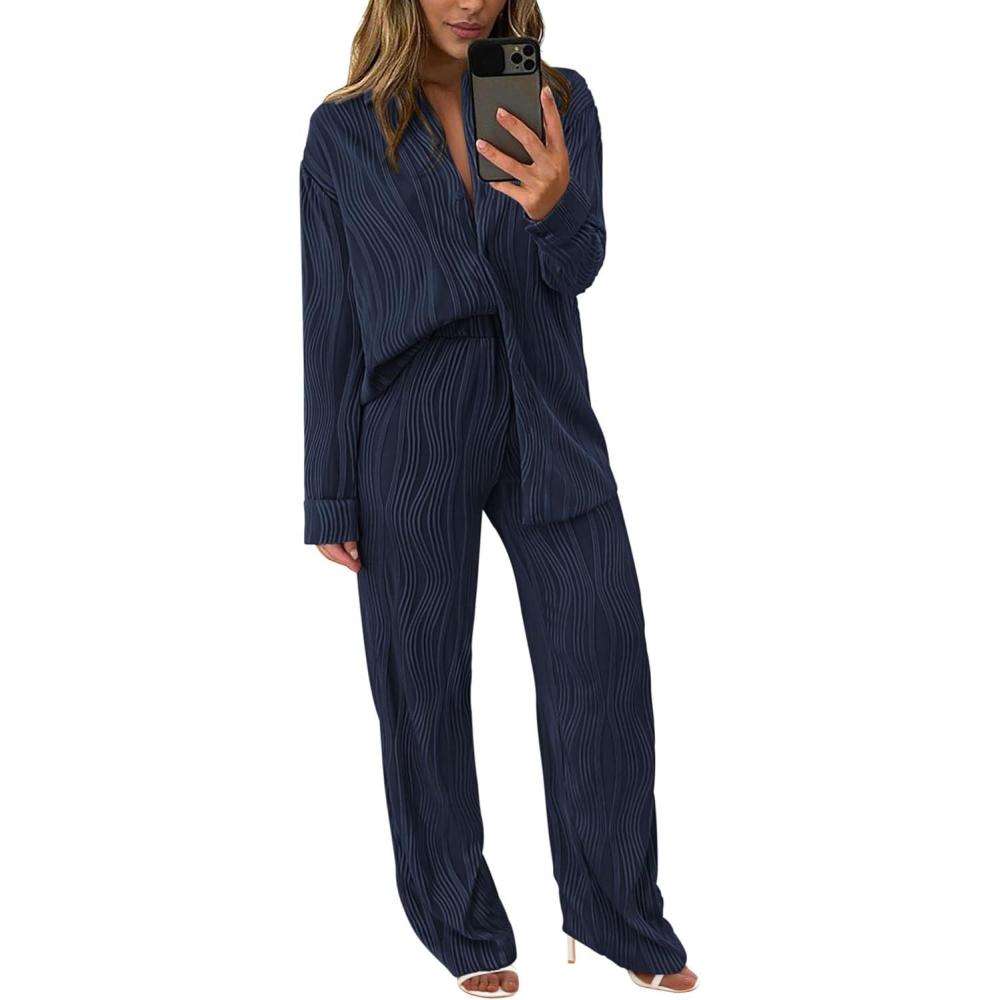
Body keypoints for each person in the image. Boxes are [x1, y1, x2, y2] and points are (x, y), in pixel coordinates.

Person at [300, 1, 699, 994]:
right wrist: (329, 489)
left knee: (602, 663)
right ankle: (462, 926)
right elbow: (329, 313)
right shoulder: (343, 131)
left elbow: (579, 266)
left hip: (545, 402)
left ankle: (616, 916)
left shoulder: (557, 99)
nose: (467, 4)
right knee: (421, 682)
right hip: (411, 421)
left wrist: (556, 204)